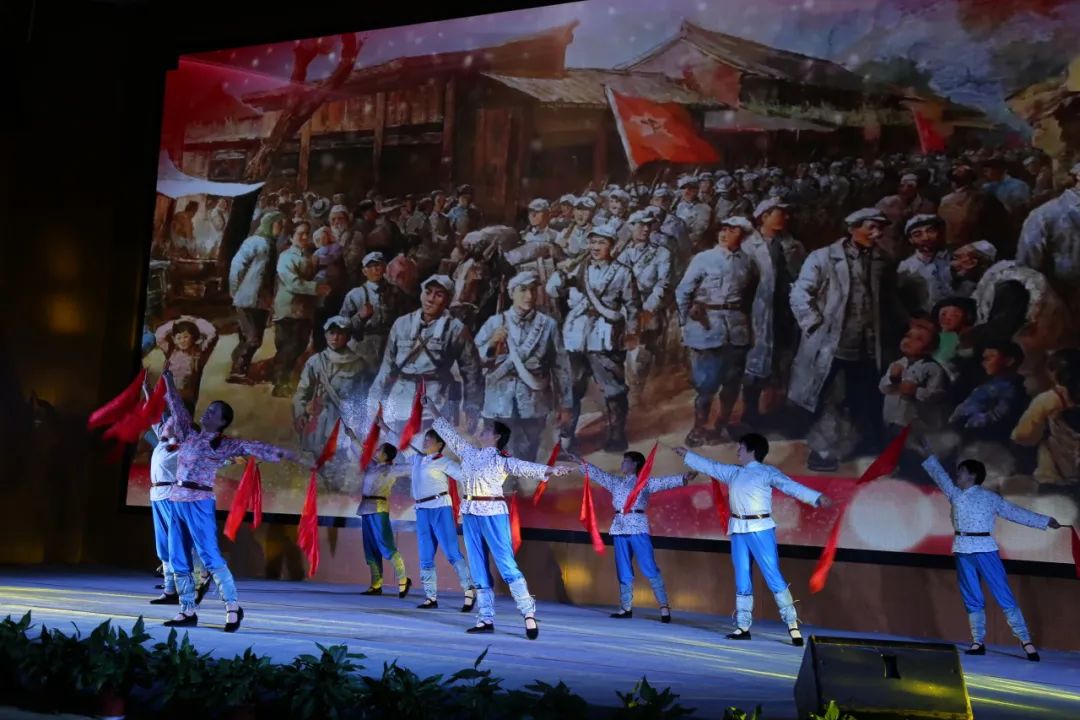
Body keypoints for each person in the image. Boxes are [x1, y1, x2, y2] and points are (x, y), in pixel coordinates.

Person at [158, 369, 295, 631]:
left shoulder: (222, 445)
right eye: (208, 409)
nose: (207, 413)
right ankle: (187, 609)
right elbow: (177, 408)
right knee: (178, 557)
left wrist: (287, 455)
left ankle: (232, 606)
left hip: (199, 501)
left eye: (213, 412)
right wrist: (168, 381)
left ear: (221, 422)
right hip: (176, 500)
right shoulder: (189, 434)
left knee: (209, 555)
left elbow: (254, 447)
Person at [428, 399, 570, 639]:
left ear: (496, 437)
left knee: (505, 563)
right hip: (471, 512)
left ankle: (528, 613)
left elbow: (525, 467)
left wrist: (552, 470)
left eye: (487, 430)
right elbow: (449, 434)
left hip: (492, 511)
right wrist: (431, 407)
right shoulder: (469, 453)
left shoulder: (502, 460)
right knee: (477, 564)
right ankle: (485, 617)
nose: (482, 431)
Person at [674, 435, 830, 645]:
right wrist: (688, 455)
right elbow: (711, 466)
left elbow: (790, 486)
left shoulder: (766, 472)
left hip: (760, 528)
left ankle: (792, 624)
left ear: (752, 450)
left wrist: (816, 497)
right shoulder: (734, 472)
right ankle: (743, 626)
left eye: (741, 448)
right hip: (738, 529)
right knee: (742, 576)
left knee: (773, 575)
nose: (738, 451)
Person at [918, 441, 1061, 660]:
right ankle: (978, 641)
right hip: (963, 549)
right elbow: (940, 476)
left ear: (972, 475)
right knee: (971, 596)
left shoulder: (990, 498)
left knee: (1003, 593)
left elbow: (1015, 512)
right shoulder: (956, 495)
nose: (958, 475)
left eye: (961, 472)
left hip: (985, 549)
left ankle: (1026, 641)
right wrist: (929, 454)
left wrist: (1045, 521)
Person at [546, 225, 640, 452]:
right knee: (571, 388)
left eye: (601, 243)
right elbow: (552, 290)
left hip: (605, 336)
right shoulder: (577, 268)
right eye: (593, 242)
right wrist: (561, 273)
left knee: (613, 389)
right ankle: (567, 439)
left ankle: (617, 435)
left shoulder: (622, 272)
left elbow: (633, 306)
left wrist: (631, 332)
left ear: (612, 246)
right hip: (576, 336)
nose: (596, 247)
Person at [573, 450, 694, 622]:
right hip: (619, 527)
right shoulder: (616, 482)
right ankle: (626, 607)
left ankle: (664, 606)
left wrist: (684, 478)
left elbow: (664, 482)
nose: (622, 464)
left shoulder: (644, 483)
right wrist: (580, 462)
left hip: (637, 526)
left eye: (625, 461)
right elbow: (599, 475)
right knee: (623, 568)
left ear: (635, 464)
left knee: (648, 566)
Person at [676, 216, 758, 446]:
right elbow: (683, 292)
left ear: (743, 235)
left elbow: (751, 294)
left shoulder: (748, 263)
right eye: (723, 229)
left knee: (732, 382)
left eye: (732, 230)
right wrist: (685, 321)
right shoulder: (703, 259)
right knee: (706, 384)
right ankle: (699, 428)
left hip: (737, 329)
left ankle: (719, 427)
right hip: (707, 327)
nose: (724, 234)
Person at [474, 272, 572, 462]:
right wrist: (492, 343)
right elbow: (476, 361)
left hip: (533, 402)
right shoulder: (494, 323)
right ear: (511, 293)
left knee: (527, 456)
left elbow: (561, 367)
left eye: (533, 290)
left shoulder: (548, 325)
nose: (529, 296)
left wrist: (565, 405)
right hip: (498, 401)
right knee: (498, 457)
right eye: (523, 290)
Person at [405, 428, 477, 610]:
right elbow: (401, 443)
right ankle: (431, 597)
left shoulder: (444, 462)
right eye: (425, 438)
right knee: (425, 555)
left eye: (429, 439)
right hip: (422, 510)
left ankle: (469, 590)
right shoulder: (417, 459)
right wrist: (383, 427)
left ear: (439, 444)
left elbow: (465, 476)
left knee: (452, 552)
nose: (425, 441)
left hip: (440, 508)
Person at [272, 221, 330, 397]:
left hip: (304, 309)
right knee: (289, 346)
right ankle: (280, 384)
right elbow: (292, 282)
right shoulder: (286, 257)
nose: (304, 237)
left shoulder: (308, 256)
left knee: (299, 345)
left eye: (307, 233)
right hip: (289, 307)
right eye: (300, 234)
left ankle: (283, 380)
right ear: (291, 237)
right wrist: (316, 288)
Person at [228, 211, 283, 384]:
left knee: (251, 337)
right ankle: (237, 371)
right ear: (269, 224)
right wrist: (235, 291)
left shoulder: (272, 244)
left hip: (262, 301)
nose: (281, 228)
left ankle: (238, 363)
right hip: (247, 298)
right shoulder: (254, 242)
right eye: (278, 224)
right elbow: (237, 266)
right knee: (253, 339)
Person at [355, 441, 412, 598]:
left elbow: (410, 467)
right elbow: (360, 452)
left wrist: (425, 460)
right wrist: (352, 438)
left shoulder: (391, 469)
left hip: (379, 509)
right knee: (370, 547)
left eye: (379, 449)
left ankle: (403, 579)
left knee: (386, 545)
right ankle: (376, 584)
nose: (376, 450)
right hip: (365, 508)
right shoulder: (371, 465)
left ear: (385, 455)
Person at [154, 316, 218, 413]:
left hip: (186, 400)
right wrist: (176, 322)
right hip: (165, 397)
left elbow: (212, 334)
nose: (182, 340)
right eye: (178, 338)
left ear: (194, 337)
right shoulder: (170, 350)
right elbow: (159, 334)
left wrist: (194, 320)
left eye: (186, 337)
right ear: (174, 339)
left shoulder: (199, 353)